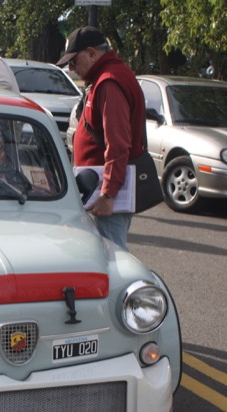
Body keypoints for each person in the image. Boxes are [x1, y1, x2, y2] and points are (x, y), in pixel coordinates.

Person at [57, 26, 145, 250]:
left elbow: (117, 144)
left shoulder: (109, 82)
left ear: (91, 53)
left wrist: (107, 194)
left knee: (111, 258)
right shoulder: (105, 78)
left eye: (74, 62)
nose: (73, 69)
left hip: (105, 197)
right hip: (98, 191)